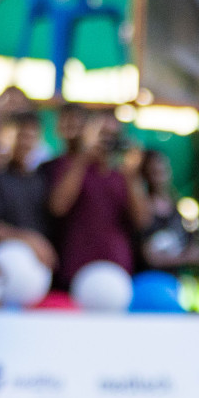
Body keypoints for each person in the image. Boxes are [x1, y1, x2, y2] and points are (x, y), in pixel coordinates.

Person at [46, 110, 151, 288]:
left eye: (113, 136)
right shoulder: (66, 165)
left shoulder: (125, 174)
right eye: (102, 135)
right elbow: (58, 207)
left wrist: (132, 176)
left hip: (116, 269)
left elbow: (143, 221)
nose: (107, 141)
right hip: (76, 268)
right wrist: (83, 158)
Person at [0, 112, 57, 270]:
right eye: (21, 136)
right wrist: (29, 239)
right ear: (4, 137)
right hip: (5, 265)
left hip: (39, 270)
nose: (26, 143)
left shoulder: (41, 179)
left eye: (32, 137)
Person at [139, 150, 199, 273]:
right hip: (148, 280)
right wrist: (184, 258)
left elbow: (197, 254)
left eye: (163, 171)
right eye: (154, 172)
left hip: (173, 281)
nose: (160, 177)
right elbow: (150, 257)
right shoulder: (140, 211)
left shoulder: (180, 208)